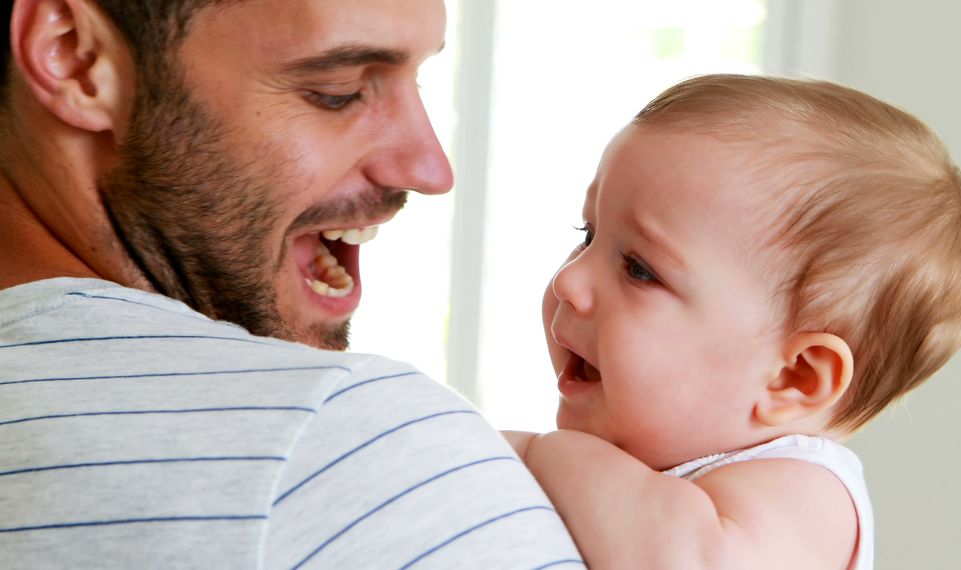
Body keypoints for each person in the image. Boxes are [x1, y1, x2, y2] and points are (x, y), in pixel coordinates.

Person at [0, 0, 582, 567]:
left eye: (420, 78)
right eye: (339, 90)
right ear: (72, 57)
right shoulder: (343, 447)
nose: (430, 170)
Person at [504, 74, 961, 569]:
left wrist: (533, 455)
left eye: (640, 270)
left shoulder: (806, 491)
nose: (570, 281)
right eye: (588, 234)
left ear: (793, 377)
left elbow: (688, 561)